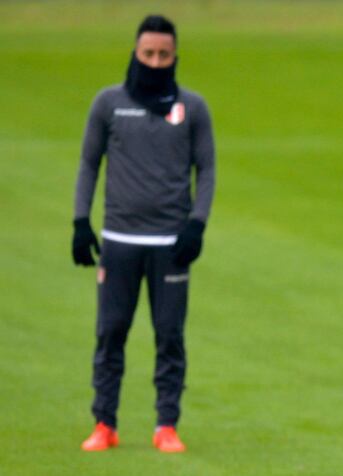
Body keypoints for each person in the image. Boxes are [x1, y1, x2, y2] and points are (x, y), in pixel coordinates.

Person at [72, 14, 215, 453]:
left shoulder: (192, 108)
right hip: (119, 241)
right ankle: (104, 423)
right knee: (110, 332)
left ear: (175, 57)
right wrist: (81, 221)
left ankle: (166, 425)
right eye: (148, 54)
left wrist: (196, 224)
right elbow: (88, 163)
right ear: (135, 53)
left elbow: (206, 168)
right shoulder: (108, 104)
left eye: (163, 55)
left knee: (169, 335)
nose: (155, 62)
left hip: (170, 245)